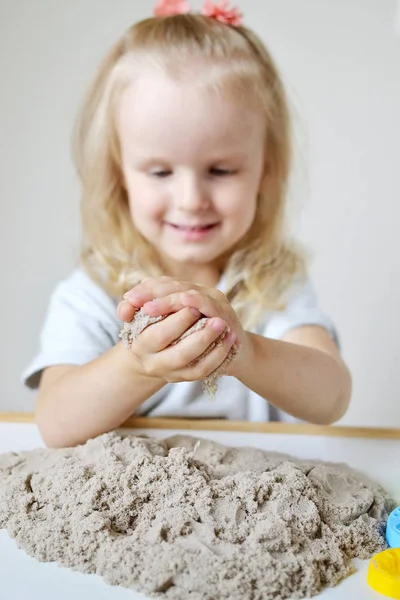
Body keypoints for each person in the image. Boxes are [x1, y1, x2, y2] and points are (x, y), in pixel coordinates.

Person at [23, 0, 352, 448]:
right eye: (160, 172)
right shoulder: (95, 291)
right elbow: (56, 425)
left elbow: (330, 398)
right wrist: (135, 364)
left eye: (221, 171)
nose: (192, 200)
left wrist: (245, 349)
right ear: (120, 174)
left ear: (266, 170)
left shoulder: (271, 283)